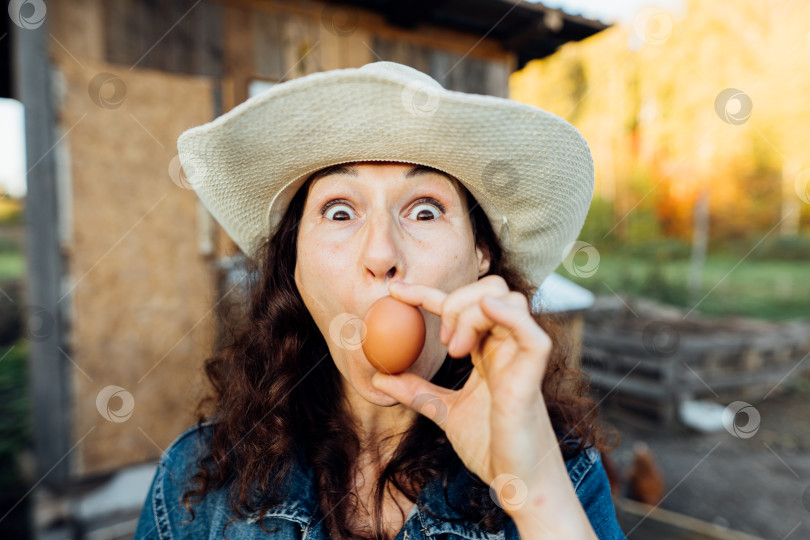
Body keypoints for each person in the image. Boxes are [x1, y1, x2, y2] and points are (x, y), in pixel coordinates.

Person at [134, 61, 627, 540]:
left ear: (481, 256)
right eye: (341, 211)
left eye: (426, 211)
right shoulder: (192, 488)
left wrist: (534, 491)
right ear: (295, 266)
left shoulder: (564, 478)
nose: (382, 254)